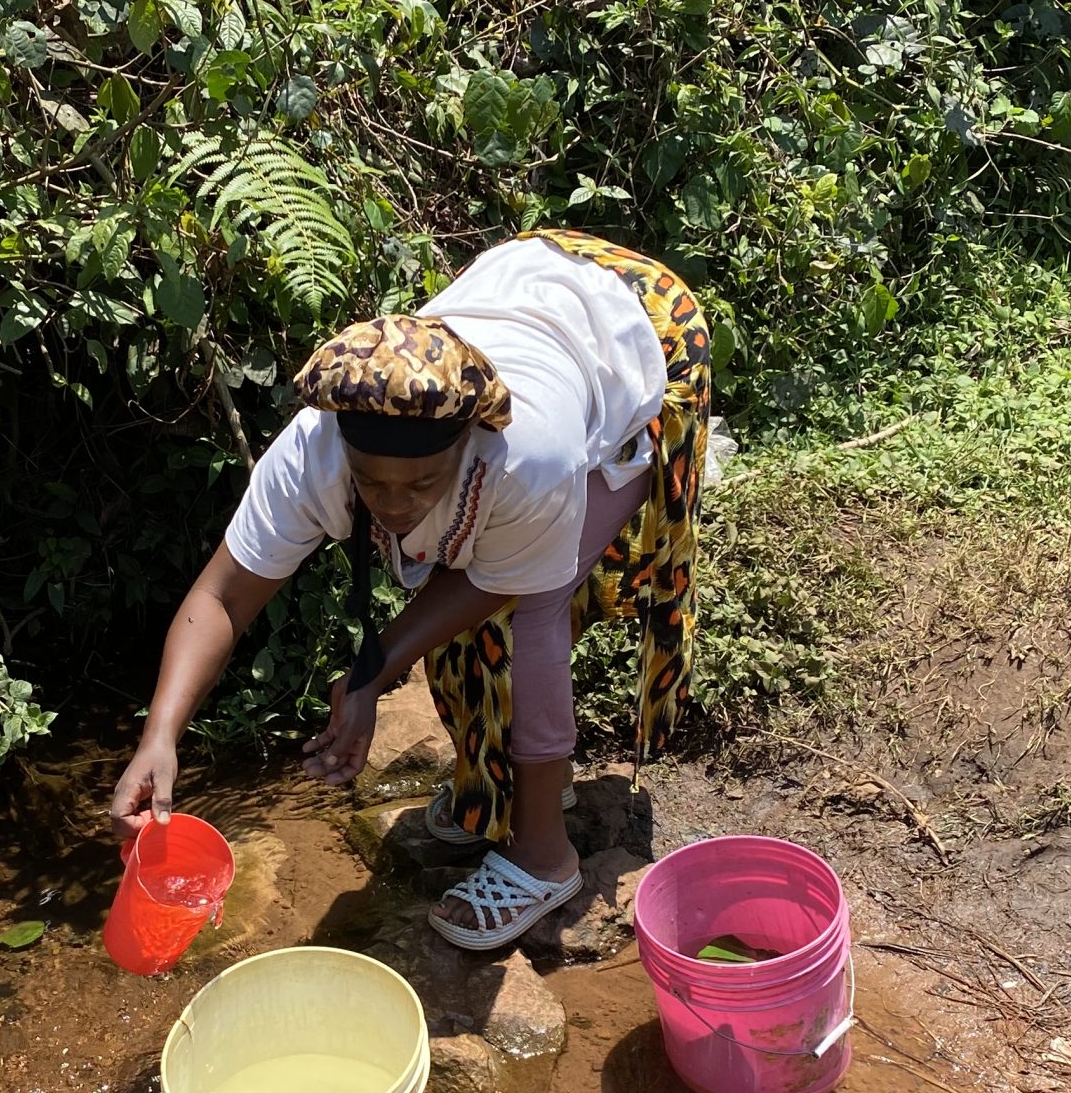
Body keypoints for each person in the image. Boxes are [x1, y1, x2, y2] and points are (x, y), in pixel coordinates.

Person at [109, 230, 709, 951]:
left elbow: (498, 588)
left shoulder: (527, 457)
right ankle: (493, 791)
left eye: (422, 484)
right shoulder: (310, 453)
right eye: (372, 484)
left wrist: (373, 669)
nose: (394, 507)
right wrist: (159, 738)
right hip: (526, 280)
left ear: (469, 443)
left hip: (641, 324)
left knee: (526, 619)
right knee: (460, 628)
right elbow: (222, 599)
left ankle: (545, 856)